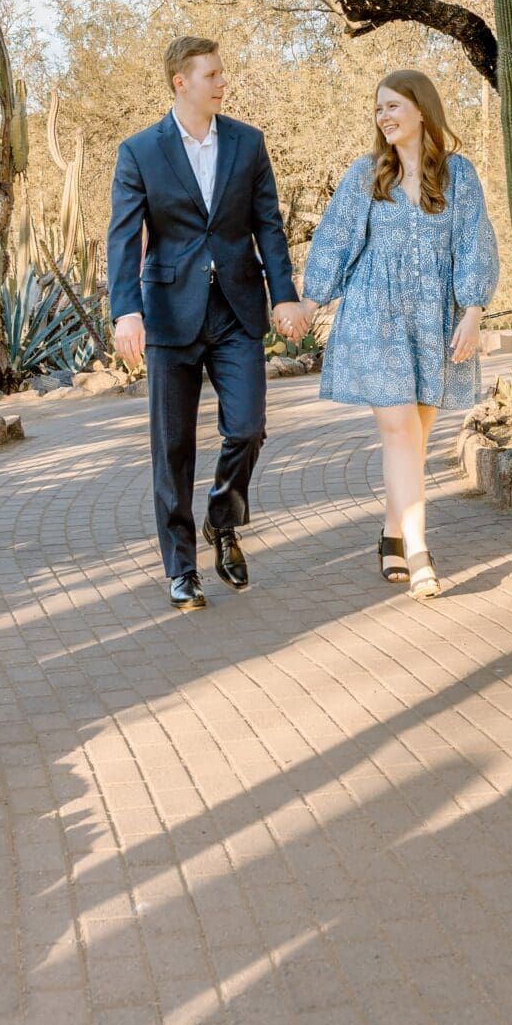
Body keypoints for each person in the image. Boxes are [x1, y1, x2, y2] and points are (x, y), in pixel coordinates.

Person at [108, 36, 310, 611]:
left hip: (237, 309)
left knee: (247, 427)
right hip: (170, 315)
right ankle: (181, 568)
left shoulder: (248, 143)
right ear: (181, 81)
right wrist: (127, 310)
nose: (223, 82)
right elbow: (124, 238)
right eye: (213, 74)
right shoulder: (140, 152)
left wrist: (284, 295)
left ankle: (223, 520)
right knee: (172, 449)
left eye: (222, 73)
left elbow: (268, 225)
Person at [296, 69, 500, 600]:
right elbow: (336, 240)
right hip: (374, 317)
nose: (384, 117)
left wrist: (474, 312)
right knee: (399, 433)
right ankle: (419, 553)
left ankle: (391, 532)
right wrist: (309, 301)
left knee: (416, 437)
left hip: (435, 319)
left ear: (422, 109)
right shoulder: (367, 175)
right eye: (379, 109)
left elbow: (474, 245)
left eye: (393, 106)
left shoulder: (460, 176)